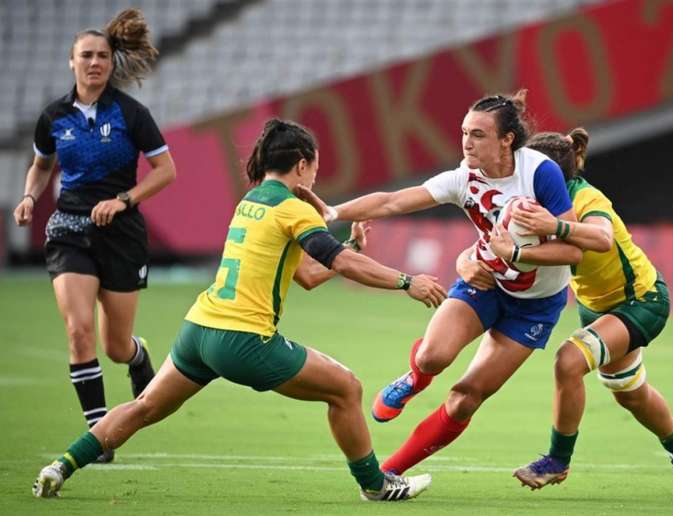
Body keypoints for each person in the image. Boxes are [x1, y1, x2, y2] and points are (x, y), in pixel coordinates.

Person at [33, 118, 448, 502]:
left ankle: (61, 465)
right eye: (315, 167)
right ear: (301, 165)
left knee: (143, 408)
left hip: (199, 330)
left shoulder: (251, 200)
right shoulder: (293, 208)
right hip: (243, 340)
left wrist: (353, 245)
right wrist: (407, 282)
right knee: (347, 389)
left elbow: (305, 274)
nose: (315, 175)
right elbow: (337, 262)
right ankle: (375, 486)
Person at [297, 91, 583, 475]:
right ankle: (414, 378)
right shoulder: (462, 178)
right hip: (485, 281)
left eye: (478, 134)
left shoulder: (539, 173)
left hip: (536, 303)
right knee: (433, 357)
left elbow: (573, 252)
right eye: (465, 132)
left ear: (507, 140)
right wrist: (334, 211)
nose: (466, 142)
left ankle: (391, 472)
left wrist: (515, 254)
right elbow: (393, 202)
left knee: (466, 399)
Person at [481, 128, 673, 495]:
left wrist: (552, 227)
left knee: (567, 362)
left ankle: (557, 461)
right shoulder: (526, 201)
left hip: (640, 301)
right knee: (629, 392)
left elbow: (600, 238)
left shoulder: (586, 198)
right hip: (595, 307)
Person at [13, 9, 175, 464]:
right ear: (72, 62)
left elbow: (166, 171)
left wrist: (124, 199)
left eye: (102, 55)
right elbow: (42, 164)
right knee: (79, 331)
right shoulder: (54, 116)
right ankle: (99, 435)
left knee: (115, 345)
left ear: (111, 62)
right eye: (86, 55)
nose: (95, 62)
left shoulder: (131, 113)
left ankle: (139, 355)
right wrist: (29, 196)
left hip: (121, 233)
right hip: (68, 231)